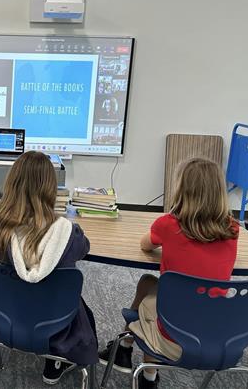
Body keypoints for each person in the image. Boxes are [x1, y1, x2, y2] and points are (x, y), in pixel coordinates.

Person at [98, 158, 239, 389]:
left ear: (182, 189)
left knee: (148, 305)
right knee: (148, 282)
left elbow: (145, 245)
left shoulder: (168, 225)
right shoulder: (233, 228)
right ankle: (122, 348)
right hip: (215, 331)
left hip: (172, 335)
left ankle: (147, 376)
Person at [0, 151, 98, 385]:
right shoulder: (67, 233)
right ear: (51, 189)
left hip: (0, 318)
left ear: (10, 183)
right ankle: (56, 361)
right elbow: (84, 248)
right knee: (74, 296)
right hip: (57, 327)